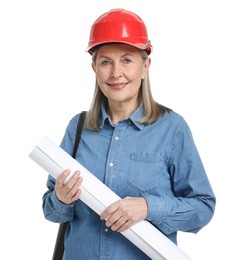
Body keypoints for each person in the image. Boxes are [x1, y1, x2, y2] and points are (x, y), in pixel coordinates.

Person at [42, 8, 216, 260]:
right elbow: (52, 212)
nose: (115, 73)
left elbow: (203, 207)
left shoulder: (172, 129)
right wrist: (61, 198)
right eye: (105, 62)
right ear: (94, 68)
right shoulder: (78, 128)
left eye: (126, 60)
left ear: (145, 65)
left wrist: (148, 207)